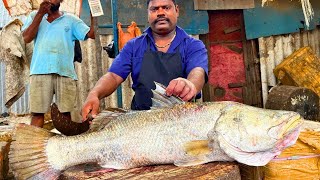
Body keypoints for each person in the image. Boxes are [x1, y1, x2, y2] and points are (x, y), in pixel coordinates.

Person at [81, 0, 208, 121]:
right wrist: (95, 93)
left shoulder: (193, 45)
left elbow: (198, 72)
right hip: (140, 121)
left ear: (177, 10)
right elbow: (113, 76)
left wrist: (190, 84)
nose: (160, 12)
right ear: (148, 14)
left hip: (181, 120)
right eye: (154, 9)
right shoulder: (133, 46)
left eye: (166, 7)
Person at [22, 0, 95, 127]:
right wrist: (40, 14)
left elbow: (91, 34)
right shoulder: (35, 16)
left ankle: (63, 145)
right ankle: (34, 144)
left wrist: (95, 13)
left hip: (65, 72)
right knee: (37, 114)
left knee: (65, 115)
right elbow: (26, 38)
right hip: (40, 71)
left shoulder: (71, 20)